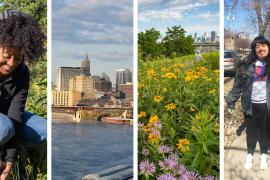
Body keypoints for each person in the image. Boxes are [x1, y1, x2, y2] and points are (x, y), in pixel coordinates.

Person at [0, 9, 47, 179]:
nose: (11, 63)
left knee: (44, 129)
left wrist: (10, 162)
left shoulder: (22, 73)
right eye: (7, 55)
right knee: (3, 128)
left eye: (18, 58)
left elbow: (16, 116)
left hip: (6, 118)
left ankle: (18, 159)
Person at [226, 36, 270, 170]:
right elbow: (237, 85)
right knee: (251, 132)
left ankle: (263, 154)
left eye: (263, 45)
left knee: (265, 131)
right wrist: (231, 101)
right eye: (257, 46)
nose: (260, 49)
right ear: (253, 49)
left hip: (266, 106)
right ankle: (250, 153)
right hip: (250, 105)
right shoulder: (245, 64)